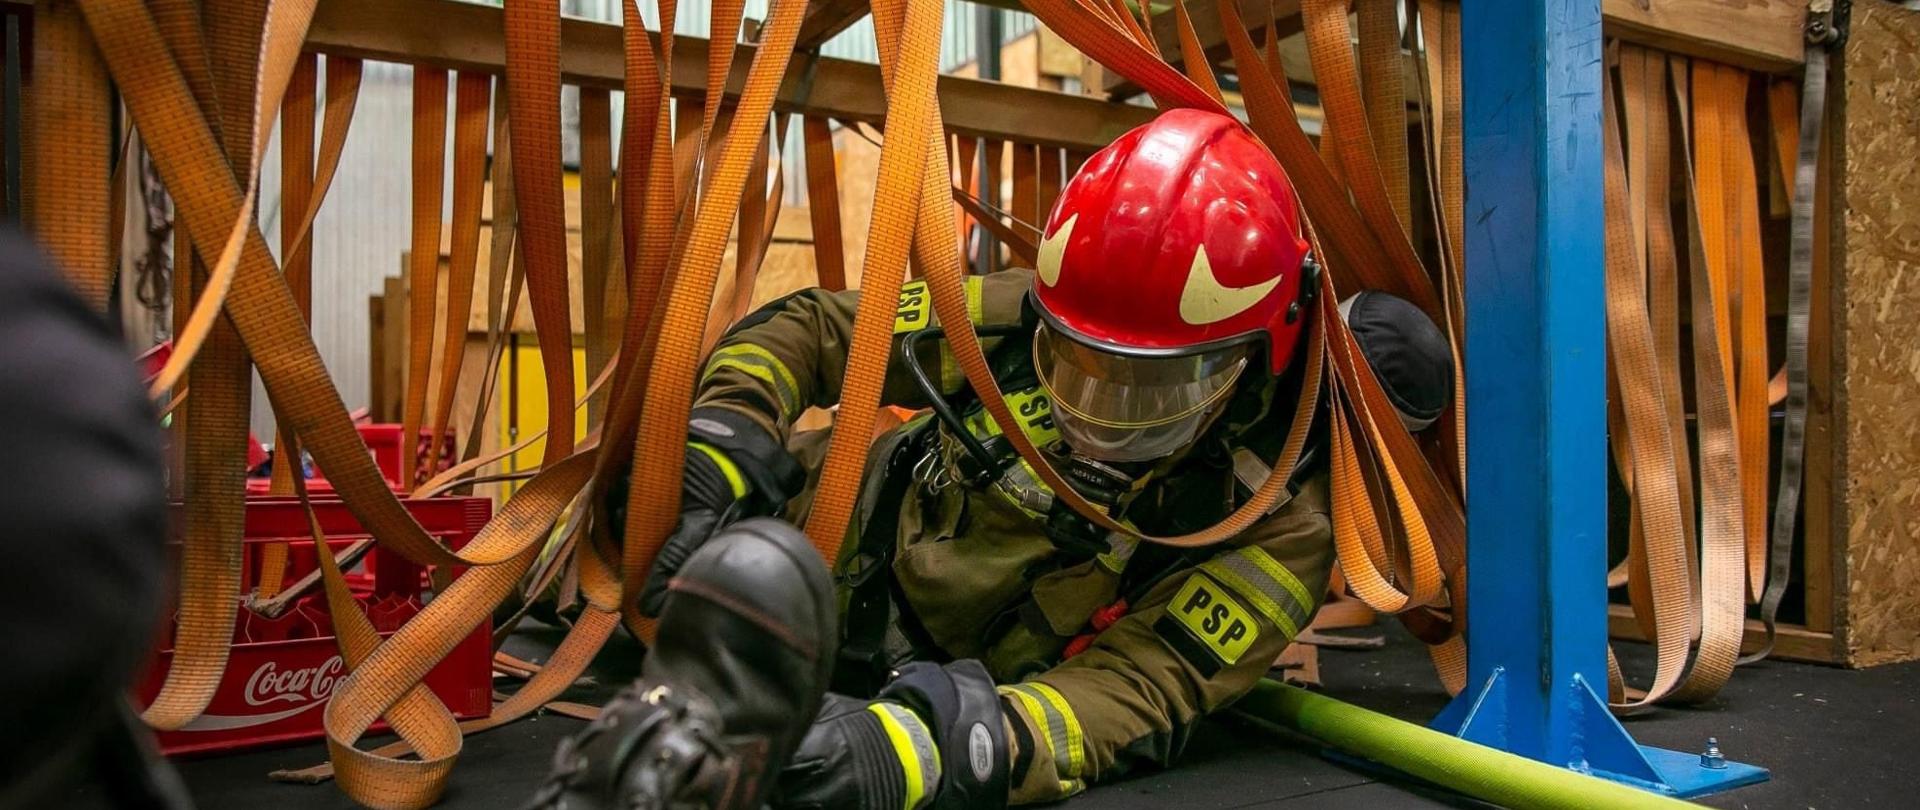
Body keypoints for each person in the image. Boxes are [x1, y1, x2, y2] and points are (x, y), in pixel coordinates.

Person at [533, 108, 1454, 810]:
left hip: (896, 694)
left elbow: (1134, 689)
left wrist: (926, 751)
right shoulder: (1020, 316)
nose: (1098, 412)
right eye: (1080, 365)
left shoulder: (1273, 524)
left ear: (1265, 347)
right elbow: (818, 330)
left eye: (1155, 387)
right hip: (760, 559)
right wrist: (719, 445)